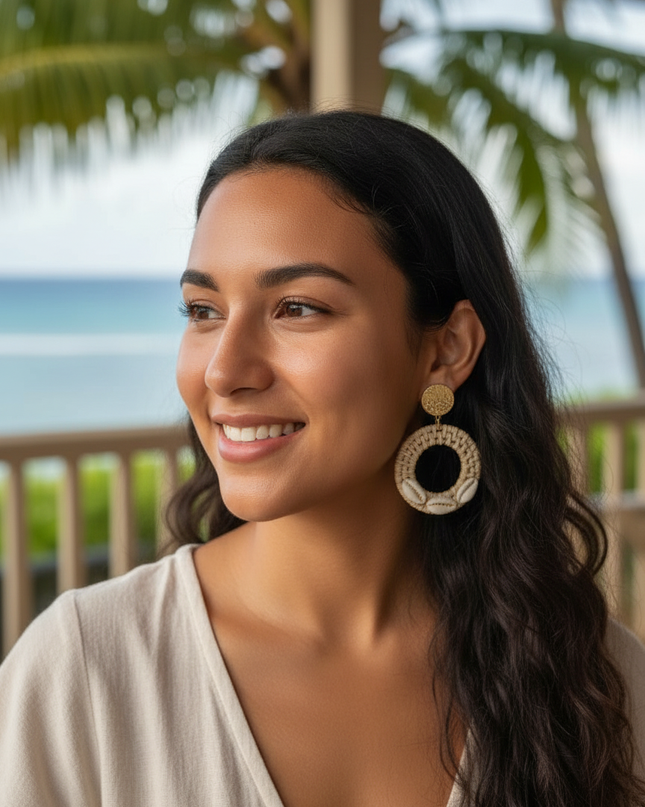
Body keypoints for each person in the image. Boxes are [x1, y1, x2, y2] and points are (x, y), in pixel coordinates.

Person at [1, 110, 644, 807]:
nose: (223, 370)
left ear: (445, 349)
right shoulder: (86, 669)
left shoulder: (589, 677)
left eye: (298, 308)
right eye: (202, 310)